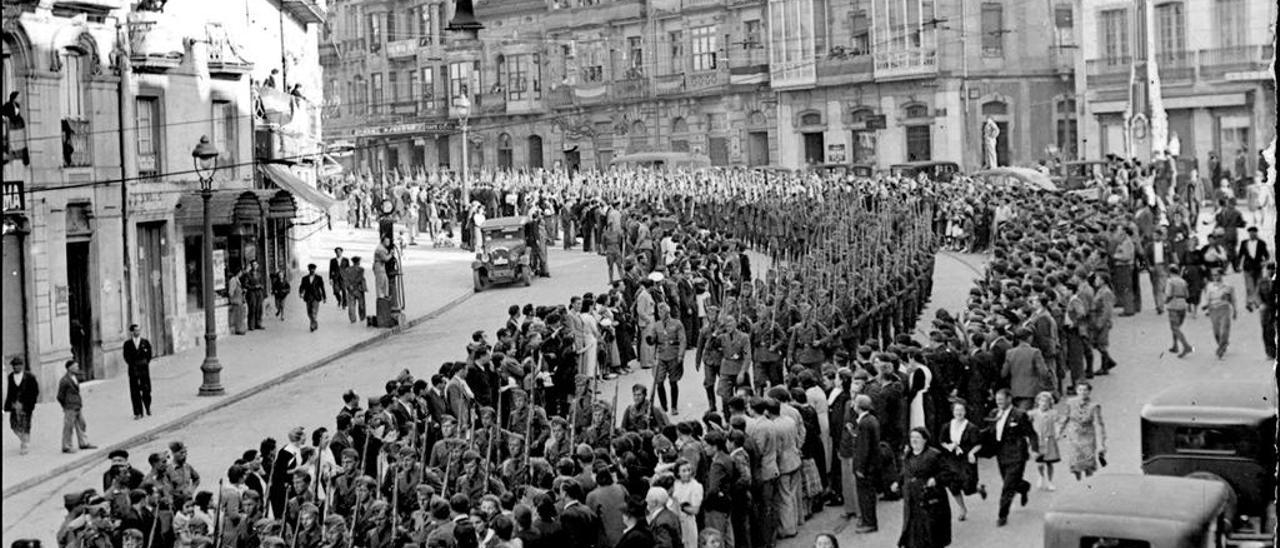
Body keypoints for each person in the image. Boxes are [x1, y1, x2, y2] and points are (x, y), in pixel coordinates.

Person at [893, 427, 952, 548]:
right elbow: (905, 472)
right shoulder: (908, 455)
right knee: (913, 533)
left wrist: (936, 479)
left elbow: (947, 472)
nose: (914, 440)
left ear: (925, 440)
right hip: (912, 500)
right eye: (912, 437)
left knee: (930, 534)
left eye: (917, 438)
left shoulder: (934, 455)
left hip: (930, 501)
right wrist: (898, 483)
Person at [984, 389, 1036, 527]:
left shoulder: (1019, 415)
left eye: (1001, 400)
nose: (998, 403)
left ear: (1009, 399)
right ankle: (1024, 487)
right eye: (997, 400)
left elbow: (1031, 433)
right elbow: (989, 431)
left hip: (1017, 454)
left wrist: (1036, 449)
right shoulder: (994, 413)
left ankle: (1002, 515)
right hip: (1001, 454)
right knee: (1011, 482)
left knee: (1007, 486)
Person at [938, 399, 984, 521]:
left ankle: (977, 488)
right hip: (952, 459)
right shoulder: (947, 426)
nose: (959, 413)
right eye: (957, 410)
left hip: (966, 458)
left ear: (965, 412)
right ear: (953, 412)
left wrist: (972, 453)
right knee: (953, 484)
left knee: (968, 486)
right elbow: (941, 441)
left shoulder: (971, 427)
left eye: (961, 410)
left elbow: (979, 444)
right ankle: (962, 508)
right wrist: (948, 446)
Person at [1061, 381, 1107, 481]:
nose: (1082, 392)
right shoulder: (1070, 403)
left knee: (1088, 462)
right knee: (1075, 461)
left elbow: (1099, 424)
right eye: (1080, 390)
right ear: (1077, 391)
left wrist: (1101, 443)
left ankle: (1088, 483)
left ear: (1089, 391)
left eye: (1085, 390)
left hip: (1088, 436)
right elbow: (1065, 418)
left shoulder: (1094, 406)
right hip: (1074, 436)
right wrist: (1058, 432)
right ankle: (1078, 482)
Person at [846, 394, 879, 534]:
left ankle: (869, 522)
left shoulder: (865, 423)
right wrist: (854, 433)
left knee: (865, 495)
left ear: (859, 406)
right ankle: (867, 519)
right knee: (868, 495)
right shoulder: (870, 419)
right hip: (871, 465)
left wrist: (860, 468)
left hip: (865, 466)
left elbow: (864, 448)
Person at [56, 359, 95, 454]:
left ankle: (83, 443)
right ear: (69, 368)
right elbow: (60, 396)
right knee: (68, 427)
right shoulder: (64, 380)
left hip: (77, 405)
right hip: (69, 407)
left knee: (81, 424)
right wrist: (65, 406)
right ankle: (66, 446)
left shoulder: (75, 377)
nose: (77, 368)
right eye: (75, 366)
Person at [4, 356, 39, 454]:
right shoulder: (10, 377)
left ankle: (25, 443)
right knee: (13, 425)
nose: (16, 367)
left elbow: (35, 391)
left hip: (26, 404)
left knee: (25, 423)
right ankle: (23, 438)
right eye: (14, 365)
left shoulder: (29, 377)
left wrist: (32, 403)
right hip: (14, 404)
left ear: (22, 366)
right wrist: (8, 405)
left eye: (18, 365)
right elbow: (9, 392)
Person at [1027, 391, 1061, 491]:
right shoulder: (1033, 413)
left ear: (1050, 403)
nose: (1044, 404)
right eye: (1042, 401)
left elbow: (1057, 423)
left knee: (1049, 463)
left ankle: (1050, 481)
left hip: (1049, 440)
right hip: (1038, 441)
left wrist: (1057, 432)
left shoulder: (1053, 413)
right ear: (1038, 402)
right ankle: (1041, 476)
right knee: (1040, 463)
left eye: (1046, 402)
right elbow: (1025, 421)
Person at [1201, 268, 1237, 359]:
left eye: (1216, 275)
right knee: (1216, 331)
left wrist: (1235, 310)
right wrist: (1205, 306)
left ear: (1221, 275)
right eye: (1213, 275)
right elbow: (1207, 298)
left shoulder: (1228, 286)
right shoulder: (1209, 286)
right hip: (1213, 309)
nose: (1215, 277)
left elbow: (1233, 299)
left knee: (1224, 329)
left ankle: (1221, 349)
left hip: (1224, 308)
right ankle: (1223, 343)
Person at [669, 459, 703, 548]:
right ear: (678, 472)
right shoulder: (676, 483)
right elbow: (658, 470)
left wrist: (680, 506)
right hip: (675, 521)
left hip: (688, 522)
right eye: (684, 471)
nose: (687, 473)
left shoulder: (696, 486)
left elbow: (695, 510)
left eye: (689, 470)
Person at [122, 324, 154, 420]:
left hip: (144, 369)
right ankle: (138, 412)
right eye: (136, 330)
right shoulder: (127, 344)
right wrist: (133, 364)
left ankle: (147, 407)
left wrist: (144, 363)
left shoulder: (145, 342)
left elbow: (149, 355)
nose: (138, 332)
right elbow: (126, 356)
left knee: (146, 390)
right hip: (133, 369)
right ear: (131, 332)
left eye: (139, 330)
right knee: (135, 391)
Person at [1235, 226, 1270, 310]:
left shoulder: (1261, 243)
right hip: (1247, 267)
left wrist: (1264, 263)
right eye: (1250, 233)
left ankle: (1256, 301)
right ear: (1248, 234)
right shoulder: (1244, 243)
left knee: (1258, 285)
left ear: (1256, 233)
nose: (1252, 234)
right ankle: (1249, 302)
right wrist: (1238, 265)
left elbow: (1266, 255)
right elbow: (1240, 255)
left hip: (1258, 268)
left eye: (1253, 232)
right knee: (1249, 286)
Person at [1163, 265, 1193, 357]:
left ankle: (1186, 346)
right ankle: (1175, 345)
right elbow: (1187, 295)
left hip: (1173, 305)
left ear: (1170, 272)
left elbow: (1168, 294)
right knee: (1177, 327)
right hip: (1182, 305)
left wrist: (1165, 302)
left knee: (1175, 328)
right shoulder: (1183, 281)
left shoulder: (1170, 281)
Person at [299, 264, 327, 332]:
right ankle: (315, 323)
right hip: (308, 297)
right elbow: (302, 287)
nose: (312, 270)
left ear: (315, 269)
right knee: (309, 313)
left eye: (313, 269)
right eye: (310, 269)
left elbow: (322, 288)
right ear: (308, 270)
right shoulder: (304, 278)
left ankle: (312, 326)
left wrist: (324, 297)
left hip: (316, 297)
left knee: (314, 311)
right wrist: (301, 293)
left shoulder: (319, 278)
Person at [344, 257, 368, 324]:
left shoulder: (347, 269)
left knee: (351, 305)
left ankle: (353, 319)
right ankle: (362, 318)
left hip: (350, 289)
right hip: (359, 289)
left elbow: (346, 280)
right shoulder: (361, 269)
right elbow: (360, 278)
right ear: (358, 262)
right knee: (361, 304)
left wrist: (349, 286)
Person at [245, 260, 266, 330]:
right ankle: (251, 325)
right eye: (253, 265)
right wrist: (253, 287)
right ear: (251, 266)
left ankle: (258, 323)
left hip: (259, 292)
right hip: (252, 293)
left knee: (259, 308)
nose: (254, 266)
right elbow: (246, 284)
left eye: (256, 264)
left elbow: (262, 283)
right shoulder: (248, 274)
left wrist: (261, 286)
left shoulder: (259, 274)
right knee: (252, 308)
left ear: (257, 265)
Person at [1261, 263, 1276, 360]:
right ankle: (1270, 352)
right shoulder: (1263, 282)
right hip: (1267, 309)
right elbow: (1258, 294)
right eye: (1269, 269)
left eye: (1273, 269)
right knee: (1267, 331)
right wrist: (1261, 304)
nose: (1271, 271)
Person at [228, 268, 247, 335]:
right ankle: (238, 329)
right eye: (240, 272)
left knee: (240, 315)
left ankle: (240, 328)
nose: (241, 274)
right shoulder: (233, 280)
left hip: (239, 300)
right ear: (238, 272)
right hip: (236, 300)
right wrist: (232, 299)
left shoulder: (237, 280)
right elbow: (231, 292)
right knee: (237, 316)